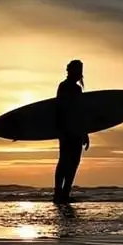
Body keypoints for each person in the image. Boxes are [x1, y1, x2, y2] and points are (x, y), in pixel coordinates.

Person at [53, 59, 89, 204]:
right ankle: (59, 194)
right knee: (66, 162)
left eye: (81, 70)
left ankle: (63, 194)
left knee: (71, 162)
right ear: (71, 71)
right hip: (69, 131)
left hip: (71, 131)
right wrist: (82, 132)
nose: (80, 73)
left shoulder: (72, 88)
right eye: (78, 70)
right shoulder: (67, 87)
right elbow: (65, 110)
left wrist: (84, 133)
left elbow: (79, 112)